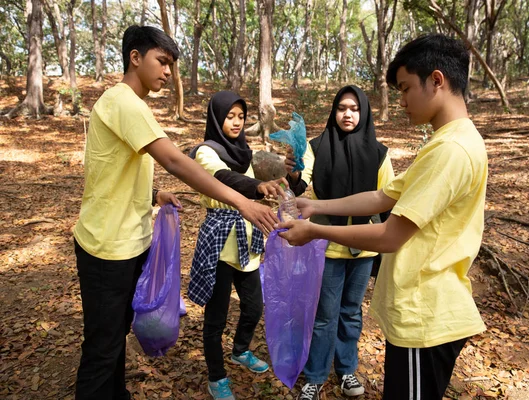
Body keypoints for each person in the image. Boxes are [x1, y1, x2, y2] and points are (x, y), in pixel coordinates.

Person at [72, 26, 278, 400]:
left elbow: (110, 170)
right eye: (162, 61)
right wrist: (242, 201)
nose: (168, 71)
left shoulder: (129, 104)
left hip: (126, 243)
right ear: (135, 58)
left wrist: (154, 194)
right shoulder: (125, 103)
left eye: (171, 64)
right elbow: (175, 160)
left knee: (114, 338)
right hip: (106, 248)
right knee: (102, 349)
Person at [278, 34, 488, 400]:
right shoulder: (444, 143)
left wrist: (313, 231)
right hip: (421, 311)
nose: (401, 100)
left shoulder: (451, 149)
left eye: (406, 88)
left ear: (436, 81)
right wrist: (318, 207)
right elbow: (382, 196)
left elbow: (391, 235)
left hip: (426, 316)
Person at [284, 85, 394, 400]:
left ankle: (346, 371)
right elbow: (301, 185)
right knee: (325, 314)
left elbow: (387, 202)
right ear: (334, 111)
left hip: (363, 247)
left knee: (351, 311)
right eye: (342, 108)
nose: (348, 114)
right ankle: (315, 377)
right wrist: (292, 173)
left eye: (354, 108)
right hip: (326, 244)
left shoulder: (380, 154)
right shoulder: (316, 147)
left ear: (364, 113)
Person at [187, 91, 286, 400]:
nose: (235, 122)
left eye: (241, 117)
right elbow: (223, 178)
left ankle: (240, 350)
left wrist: (287, 170)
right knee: (215, 317)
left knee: (254, 305)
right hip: (220, 240)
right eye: (229, 116)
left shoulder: (247, 152)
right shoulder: (205, 151)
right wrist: (256, 187)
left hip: (248, 237)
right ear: (217, 118)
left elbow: (278, 177)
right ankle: (216, 377)